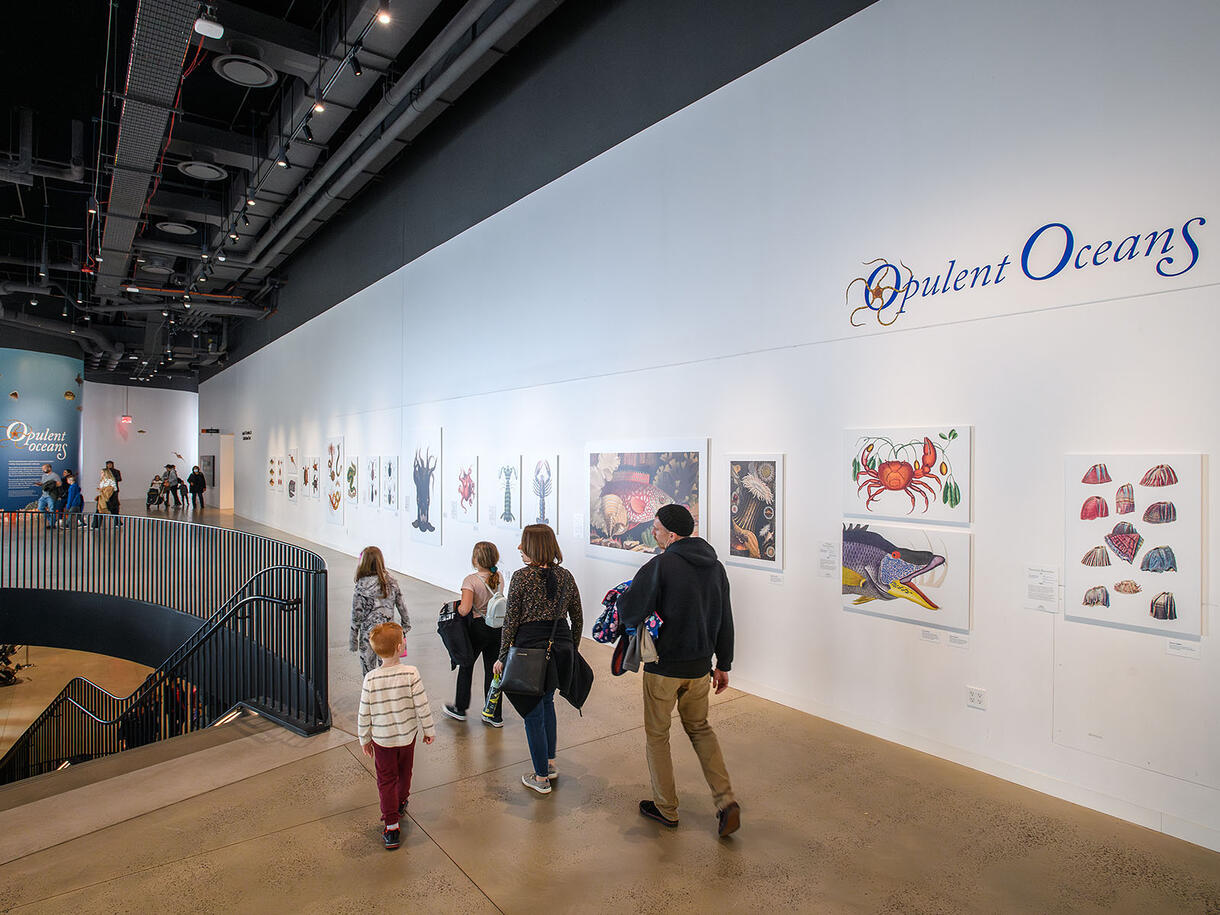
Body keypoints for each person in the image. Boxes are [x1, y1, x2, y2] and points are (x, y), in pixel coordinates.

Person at [617, 503, 740, 838]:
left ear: (671, 534)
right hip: (700, 669)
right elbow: (725, 619)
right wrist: (723, 665)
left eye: (655, 528)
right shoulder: (715, 567)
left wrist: (624, 603)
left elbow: (629, 611)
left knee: (658, 735)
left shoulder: (660, 565)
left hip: (664, 668)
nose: (652, 532)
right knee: (700, 729)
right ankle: (726, 800)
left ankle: (666, 808)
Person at [493, 524, 582, 796]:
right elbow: (577, 618)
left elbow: (511, 621)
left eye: (523, 544)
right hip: (559, 648)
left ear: (533, 547)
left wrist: (502, 656)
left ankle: (541, 777)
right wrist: (571, 650)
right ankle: (550, 763)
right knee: (547, 701)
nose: (519, 548)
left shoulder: (521, 577)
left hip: (529, 652)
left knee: (532, 711)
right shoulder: (565, 575)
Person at [357, 621, 435, 850]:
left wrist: (364, 738)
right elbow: (423, 705)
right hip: (407, 736)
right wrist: (429, 730)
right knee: (404, 772)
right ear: (400, 646)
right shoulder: (411, 673)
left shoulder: (371, 678)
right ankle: (400, 802)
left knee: (386, 780)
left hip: (382, 741)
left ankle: (391, 826)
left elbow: (364, 712)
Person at [443, 542, 505, 727]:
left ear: (476, 559)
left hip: (477, 628)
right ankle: (494, 714)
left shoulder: (470, 580)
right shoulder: (499, 576)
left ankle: (460, 708)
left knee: (466, 665)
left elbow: (464, 609)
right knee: (493, 670)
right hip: (497, 627)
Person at [350, 546, 411, 676]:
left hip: (368, 635)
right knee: (388, 668)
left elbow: (356, 615)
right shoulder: (391, 581)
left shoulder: (361, 585)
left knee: (368, 671)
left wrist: (353, 638)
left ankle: (371, 694)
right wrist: (405, 625)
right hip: (388, 632)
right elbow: (401, 605)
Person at [36, 464, 62, 529]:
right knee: (40, 508)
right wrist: (40, 484)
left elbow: (59, 484)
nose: (43, 469)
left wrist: (51, 486)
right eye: (43, 468)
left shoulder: (55, 475)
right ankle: (52, 520)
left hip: (51, 495)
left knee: (52, 509)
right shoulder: (43, 476)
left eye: (44, 468)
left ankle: (52, 524)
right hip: (43, 495)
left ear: (49, 468)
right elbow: (43, 483)